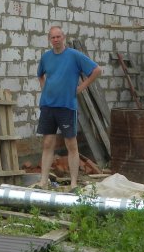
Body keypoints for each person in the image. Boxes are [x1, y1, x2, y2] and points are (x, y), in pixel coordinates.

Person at [34, 25, 101, 189]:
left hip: (67, 107)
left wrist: (81, 88)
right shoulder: (46, 57)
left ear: (63, 37)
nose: (56, 40)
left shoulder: (74, 56)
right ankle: (43, 182)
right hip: (48, 106)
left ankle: (73, 184)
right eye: (53, 37)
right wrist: (45, 89)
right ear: (50, 40)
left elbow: (97, 70)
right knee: (48, 143)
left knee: (71, 144)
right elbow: (40, 75)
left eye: (58, 37)